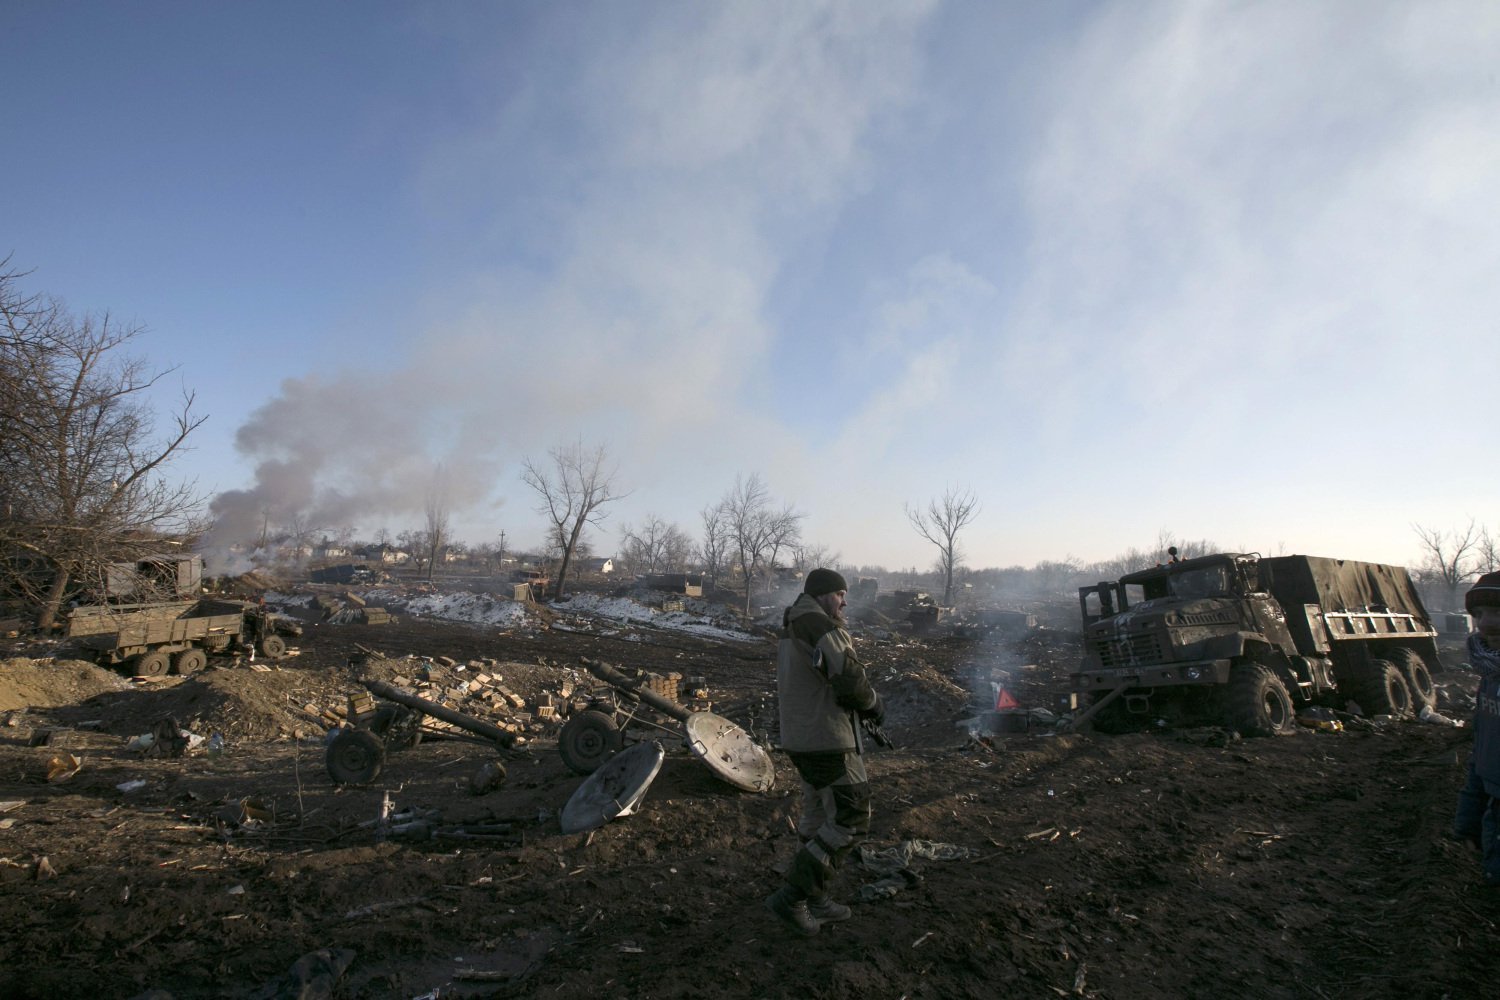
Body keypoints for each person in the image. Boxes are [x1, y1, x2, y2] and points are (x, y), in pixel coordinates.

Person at [765, 568, 884, 936]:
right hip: (828, 739)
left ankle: (816, 899)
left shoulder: (794, 625)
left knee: (817, 819)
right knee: (851, 818)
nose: (844, 601)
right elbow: (850, 680)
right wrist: (874, 705)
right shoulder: (819, 626)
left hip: (802, 739)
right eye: (839, 594)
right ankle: (794, 896)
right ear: (821, 595)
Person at [1453, 571, 1500, 888]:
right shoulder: (1490, 678)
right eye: (1479, 614)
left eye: (1497, 612)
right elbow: (1483, 754)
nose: (1485, 623)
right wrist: (1469, 822)